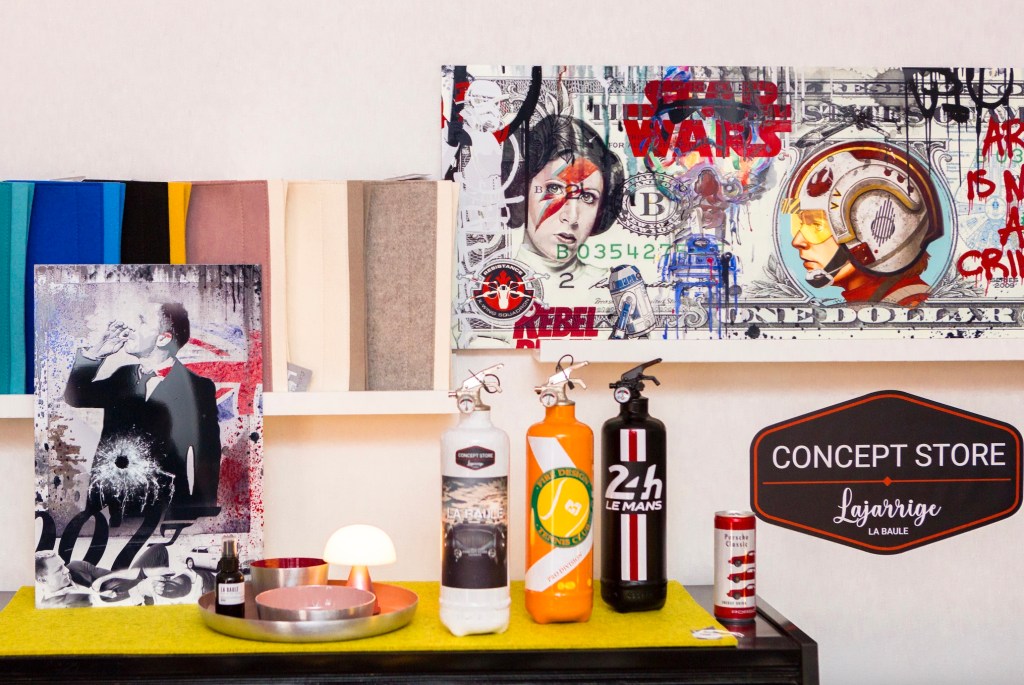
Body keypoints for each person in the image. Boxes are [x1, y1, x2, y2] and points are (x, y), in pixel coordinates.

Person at [64, 302, 222, 524]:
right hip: (110, 509)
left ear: (163, 339)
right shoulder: (122, 376)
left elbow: (207, 456)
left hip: (166, 511)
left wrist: (199, 515)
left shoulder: (198, 388)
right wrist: (95, 354)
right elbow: (75, 397)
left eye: (142, 321)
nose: (131, 328)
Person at [783, 140, 944, 307]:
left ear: (879, 234)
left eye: (816, 225)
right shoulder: (872, 305)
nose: (797, 241)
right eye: (799, 223)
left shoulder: (912, 308)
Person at [513, 115, 624, 304]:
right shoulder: (486, 282)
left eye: (587, 197)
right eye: (554, 188)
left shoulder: (612, 290)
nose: (572, 217)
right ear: (522, 189)